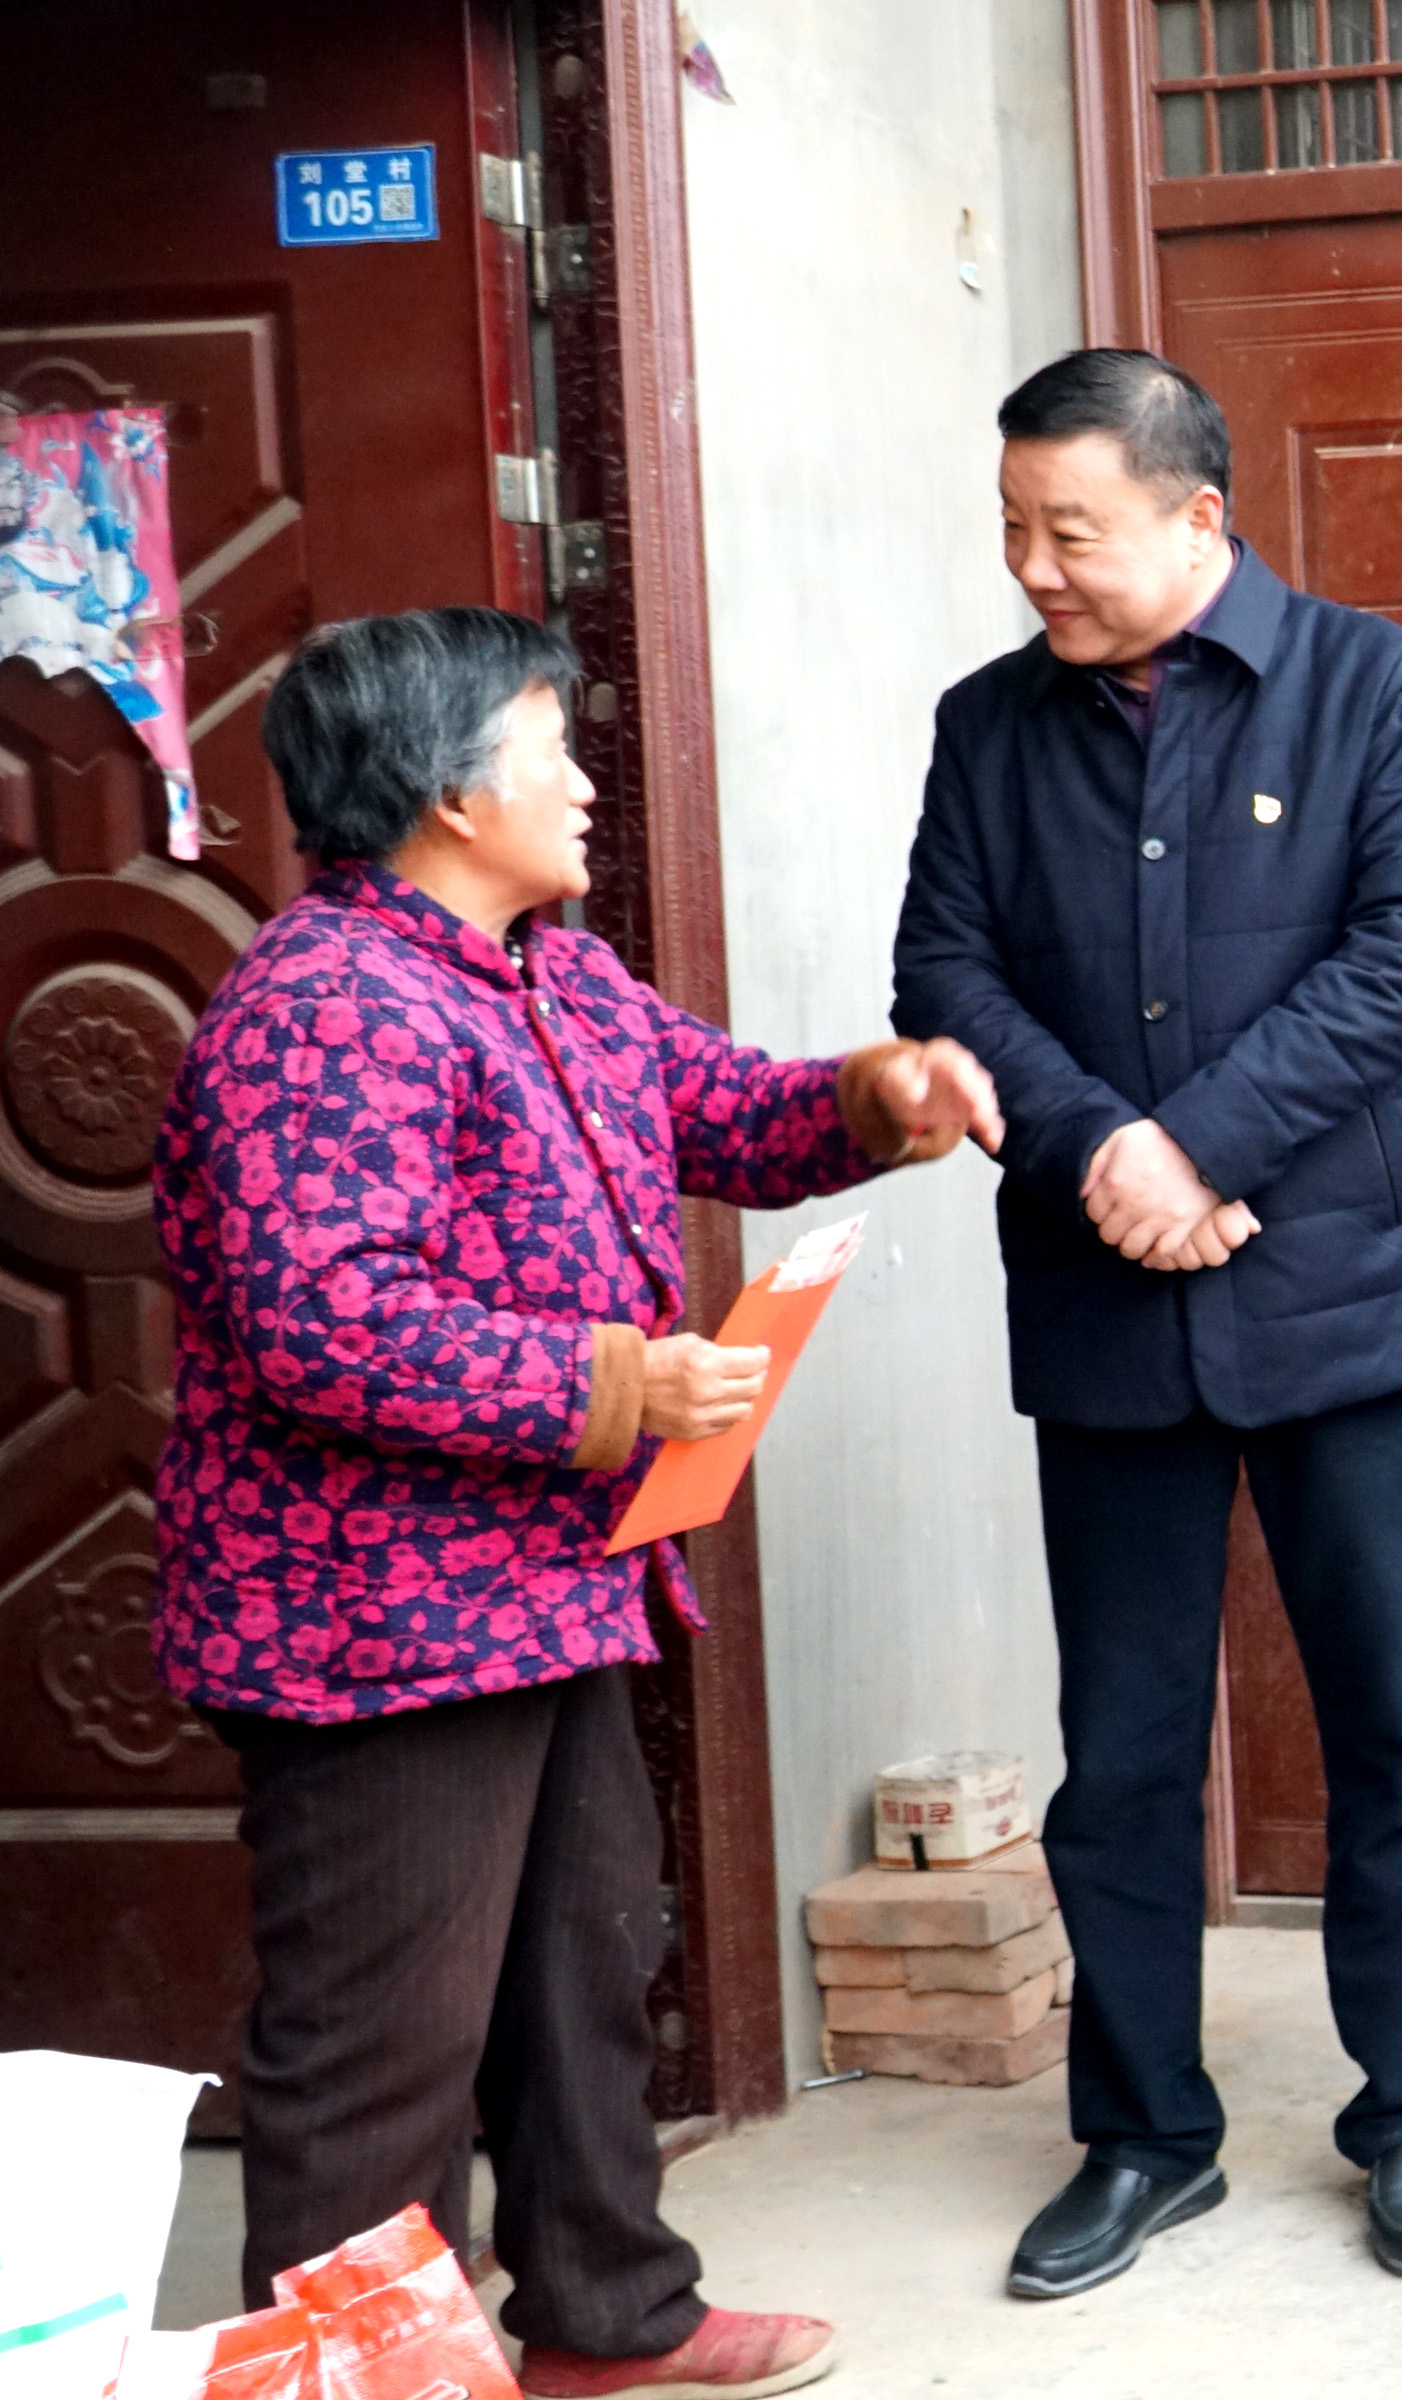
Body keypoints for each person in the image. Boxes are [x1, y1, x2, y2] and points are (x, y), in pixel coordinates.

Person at [152, 607, 1000, 2400]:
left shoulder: (554, 973)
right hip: (374, 1622)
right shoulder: (322, 1004)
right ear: (452, 794)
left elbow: (727, 1111)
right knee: (378, 2042)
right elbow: (322, 1319)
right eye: (551, 747)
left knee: (583, 1970)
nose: (586, 782)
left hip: (546, 1589)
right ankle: (354, 2381)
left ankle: (608, 2317)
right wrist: (618, 1386)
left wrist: (878, 1096)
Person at [889, 349, 1402, 2293]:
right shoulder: (989, 726)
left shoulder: (1369, 685)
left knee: (1393, 1724)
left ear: (1197, 516)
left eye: (1067, 531)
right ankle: (1145, 2134)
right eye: (1012, 530)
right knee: (1125, 1749)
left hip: (1341, 1297)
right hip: (1106, 1304)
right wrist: (1107, 1152)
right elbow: (943, 972)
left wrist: (1204, 1144)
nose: (1032, 569)